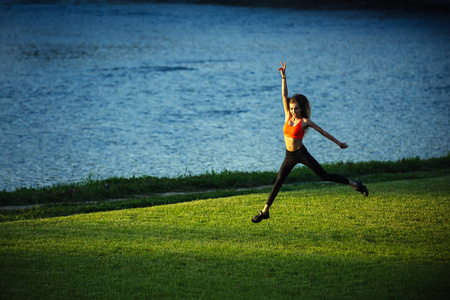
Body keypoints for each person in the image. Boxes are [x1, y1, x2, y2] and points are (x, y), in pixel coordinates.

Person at [252, 62, 368, 223]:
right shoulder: (287, 115)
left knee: (324, 176)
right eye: (292, 108)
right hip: (289, 155)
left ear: (301, 109)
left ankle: (355, 184)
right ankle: (265, 211)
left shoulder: (305, 121)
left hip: (301, 154)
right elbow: (284, 96)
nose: (293, 111)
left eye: (296, 108)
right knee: (279, 181)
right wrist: (283, 77)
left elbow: (323, 132)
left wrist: (339, 143)